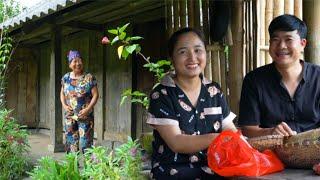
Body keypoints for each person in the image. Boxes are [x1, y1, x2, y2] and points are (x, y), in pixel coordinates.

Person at [146, 28, 237, 179]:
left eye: (197, 50)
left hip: (216, 167)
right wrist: (217, 138)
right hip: (174, 171)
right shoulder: (162, 94)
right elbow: (176, 142)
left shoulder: (214, 90)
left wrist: (242, 142)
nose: (192, 57)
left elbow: (229, 129)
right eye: (183, 52)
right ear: (172, 58)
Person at [239, 14, 320, 138]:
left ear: (302, 43)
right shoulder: (254, 80)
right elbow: (247, 129)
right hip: (269, 153)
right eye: (275, 40)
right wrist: (270, 132)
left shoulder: (318, 77)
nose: (282, 46)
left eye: (288, 40)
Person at [60, 50, 99, 153]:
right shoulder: (65, 78)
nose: (78, 63)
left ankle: (88, 169)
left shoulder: (89, 77)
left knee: (85, 144)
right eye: (75, 61)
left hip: (85, 116)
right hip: (70, 116)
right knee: (71, 143)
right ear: (70, 64)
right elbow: (62, 93)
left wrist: (88, 109)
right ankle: (73, 168)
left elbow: (96, 95)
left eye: (79, 61)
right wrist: (64, 105)